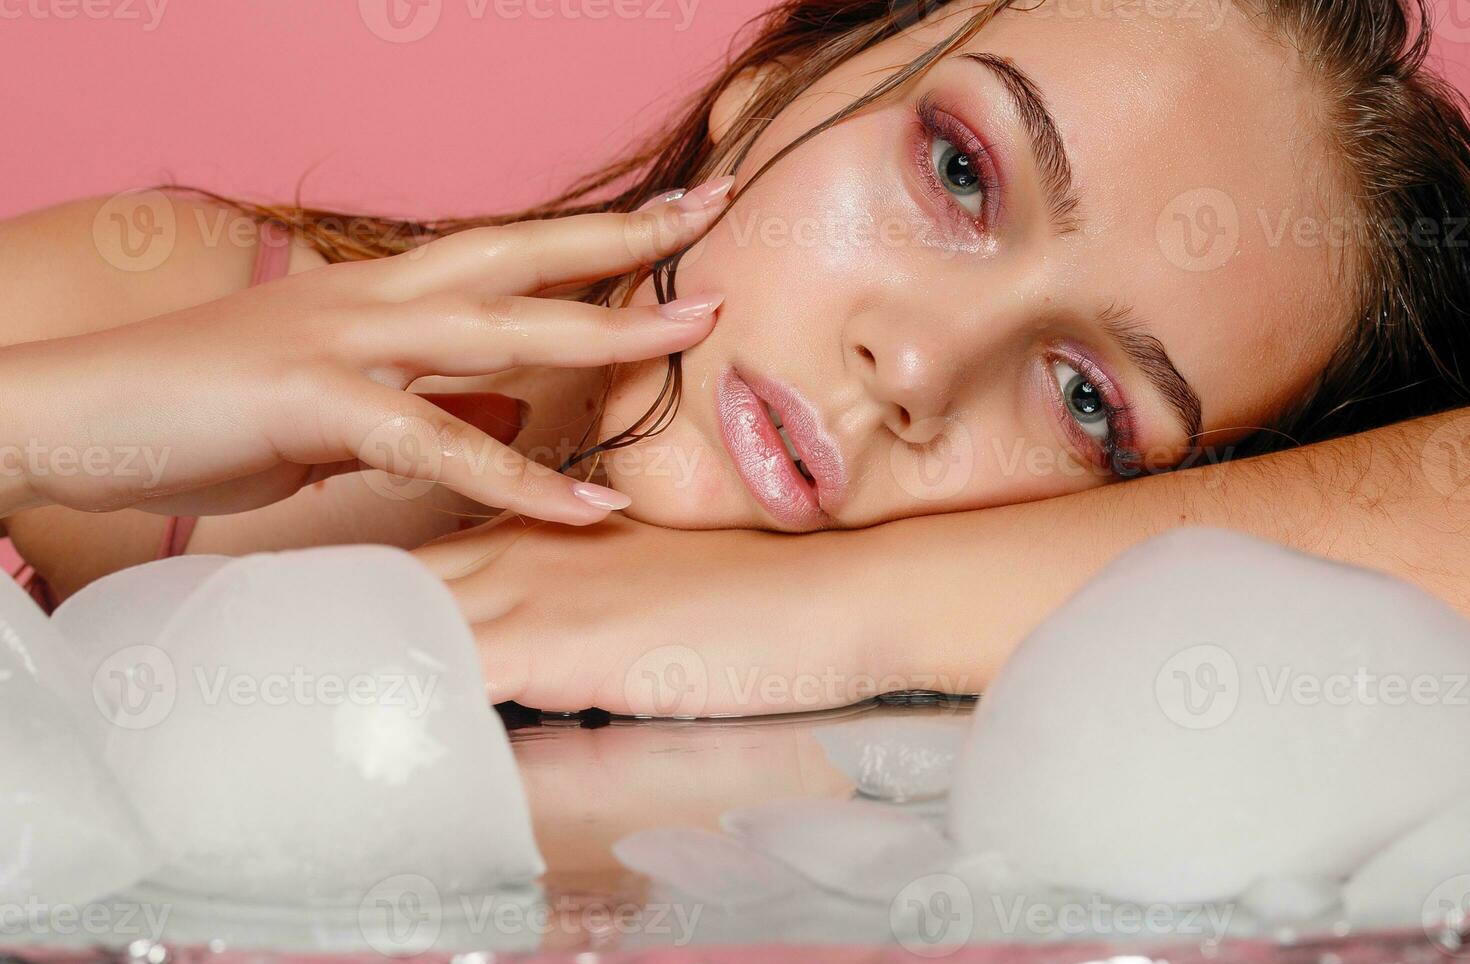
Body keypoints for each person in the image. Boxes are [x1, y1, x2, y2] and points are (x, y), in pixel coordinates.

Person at [4, 0, 1469, 711]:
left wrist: (848, 606)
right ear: (770, 87)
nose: (915, 365)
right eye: (959, 173)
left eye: (1087, 400)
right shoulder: (178, 295)